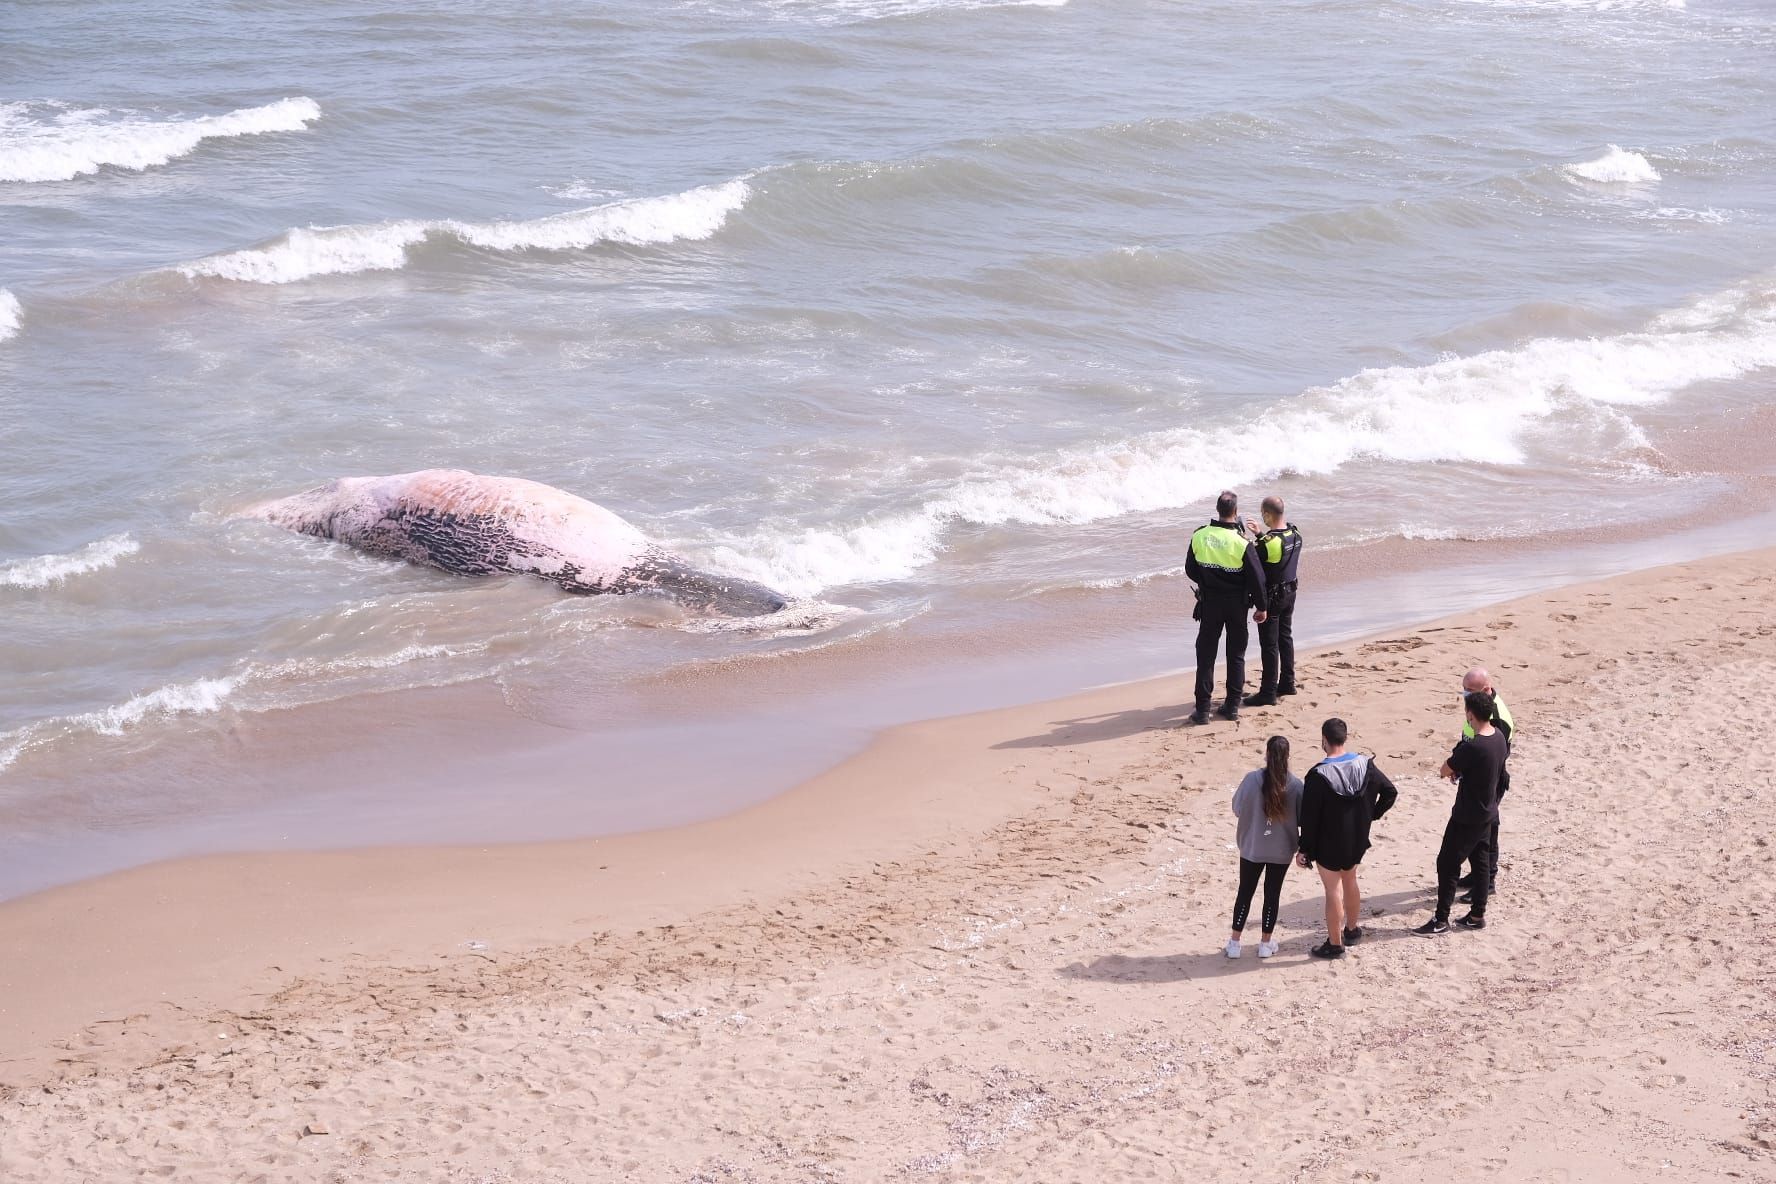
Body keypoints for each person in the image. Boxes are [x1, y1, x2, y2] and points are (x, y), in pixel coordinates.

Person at [1296, 718, 1397, 959]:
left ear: (1324, 741)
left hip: (1329, 843)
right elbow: (1390, 792)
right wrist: (1370, 816)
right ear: (1345, 738)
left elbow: (1309, 819)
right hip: (1356, 839)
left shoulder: (1318, 775)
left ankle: (1335, 943)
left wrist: (1304, 849)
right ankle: (1352, 929)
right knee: (1350, 880)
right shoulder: (1365, 765)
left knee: (1333, 889)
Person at [1416, 690, 1511, 935]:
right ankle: (1477, 915)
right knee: (1480, 862)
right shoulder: (1499, 737)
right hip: (1488, 810)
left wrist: (1456, 769)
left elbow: (1444, 769)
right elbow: (1486, 768)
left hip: (1468, 815)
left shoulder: (1474, 745)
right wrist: (1463, 770)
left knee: (1447, 864)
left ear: (1470, 714)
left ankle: (1440, 920)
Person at [1185, 490, 1267, 725]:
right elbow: (1257, 579)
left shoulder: (1200, 535)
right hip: (1236, 605)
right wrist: (1261, 607)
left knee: (1206, 654)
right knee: (1236, 654)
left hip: (1210, 602)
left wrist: (1208, 580)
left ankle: (1202, 710)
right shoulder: (1242, 543)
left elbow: (1190, 569)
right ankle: (1231, 706)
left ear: (1218, 510)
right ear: (1236, 512)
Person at [1226, 735, 1304, 960]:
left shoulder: (1251, 779)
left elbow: (1237, 808)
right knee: (1272, 895)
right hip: (1281, 851)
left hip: (1252, 847)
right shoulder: (1296, 785)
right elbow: (1301, 819)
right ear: (1288, 757)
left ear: (1267, 754)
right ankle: (1265, 943)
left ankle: (1234, 943)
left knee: (1245, 892)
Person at [1457, 667, 1516, 899]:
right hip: (1473, 775)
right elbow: (1470, 736)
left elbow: (1493, 754)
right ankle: (1476, 874)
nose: (1466, 695)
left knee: (1487, 830)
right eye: (1464, 690)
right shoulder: (1480, 706)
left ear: (1486, 690)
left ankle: (1487, 880)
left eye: (1470, 691)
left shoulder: (1497, 717)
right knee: (1475, 829)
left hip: (1489, 780)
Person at [1243, 496, 1303, 707]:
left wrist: (1253, 538)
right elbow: (1276, 551)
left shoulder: (1268, 544)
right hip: (1290, 592)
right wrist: (1260, 533)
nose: (1263, 518)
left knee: (1269, 645)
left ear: (1268, 514)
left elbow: (1255, 561)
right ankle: (1287, 682)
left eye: (1263, 515)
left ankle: (1268, 692)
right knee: (1285, 637)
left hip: (1273, 598)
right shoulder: (1295, 534)